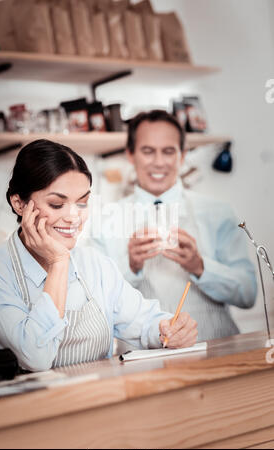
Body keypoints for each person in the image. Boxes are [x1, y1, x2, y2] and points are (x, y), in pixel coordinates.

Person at [0, 139, 198, 372]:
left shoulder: (95, 264)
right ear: (19, 204)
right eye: (57, 204)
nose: (73, 217)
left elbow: (144, 322)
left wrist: (169, 329)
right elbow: (34, 357)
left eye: (82, 203)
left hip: (99, 400)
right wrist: (58, 263)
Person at [90, 110, 257, 342]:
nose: (159, 162)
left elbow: (248, 295)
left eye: (168, 151)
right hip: (142, 364)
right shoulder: (105, 220)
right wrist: (130, 266)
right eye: (148, 151)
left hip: (218, 351)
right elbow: (95, 304)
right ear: (130, 154)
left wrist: (200, 266)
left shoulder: (218, 213)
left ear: (182, 155)